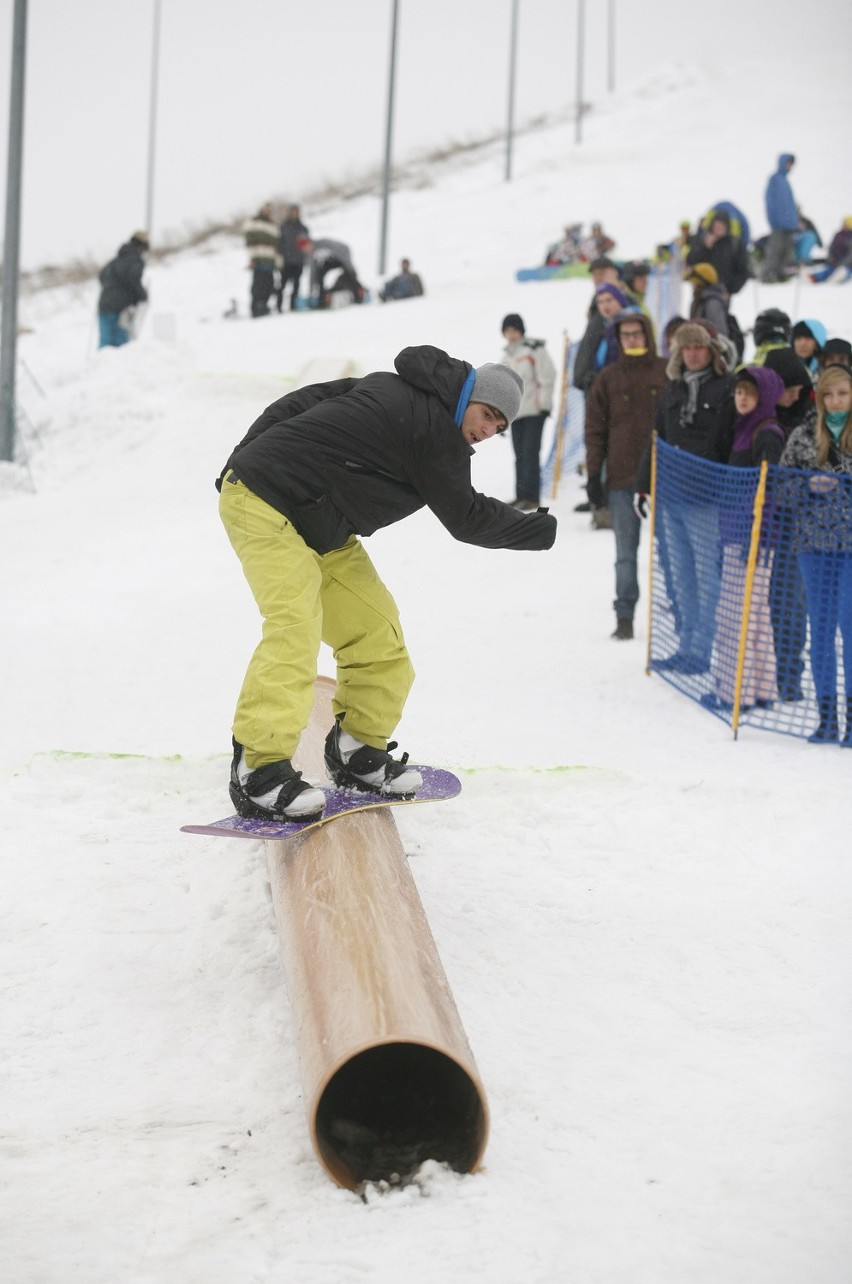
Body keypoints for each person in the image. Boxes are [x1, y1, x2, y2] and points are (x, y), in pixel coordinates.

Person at [216, 346, 557, 821]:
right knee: (295, 622)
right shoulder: (432, 428)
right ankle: (259, 770)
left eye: (499, 427)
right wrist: (542, 530)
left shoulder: (397, 386)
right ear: (468, 396)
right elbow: (467, 518)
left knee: (378, 633)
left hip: (319, 522)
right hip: (265, 500)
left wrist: (246, 451)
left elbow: (301, 401)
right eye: (487, 414)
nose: (488, 429)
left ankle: (357, 750)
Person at [635, 322, 736, 674]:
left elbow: (727, 443)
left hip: (706, 498)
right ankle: (685, 645)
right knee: (680, 578)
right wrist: (642, 483)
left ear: (712, 350)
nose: (692, 353)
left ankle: (702, 650)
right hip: (670, 495)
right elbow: (658, 436)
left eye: (699, 347)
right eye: (686, 348)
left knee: (708, 577)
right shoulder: (673, 388)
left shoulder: (727, 387)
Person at [703, 366, 786, 712]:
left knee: (733, 614)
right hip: (740, 532)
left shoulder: (766, 432)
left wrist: (757, 535)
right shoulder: (744, 428)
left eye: (750, 392)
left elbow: (770, 489)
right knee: (755, 614)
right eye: (739, 391)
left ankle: (733, 690)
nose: (742, 397)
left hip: (751, 538)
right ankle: (761, 687)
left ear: (764, 396)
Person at [779, 365, 852, 744]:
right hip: (814, 545)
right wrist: (809, 486)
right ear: (820, 398)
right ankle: (828, 718)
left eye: (843, 393)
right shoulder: (803, 435)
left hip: (851, 548)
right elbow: (781, 489)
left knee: (849, 629)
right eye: (830, 395)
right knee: (820, 632)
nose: (837, 402)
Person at [584, 311, 667, 639]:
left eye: (637, 333)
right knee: (625, 554)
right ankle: (625, 616)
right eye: (626, 335)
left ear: (647, 335)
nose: (632, 339)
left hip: (665, 478)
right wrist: (593, 474)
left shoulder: (665, 372)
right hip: (621, 477)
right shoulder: (608, 377)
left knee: (671, 554)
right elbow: (594, 431)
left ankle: (677, 613)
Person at [762, 347, 813, 701]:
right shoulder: (756, 418)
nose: (792, 396)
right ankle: (761, 672)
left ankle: (789, 673)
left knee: (791, 605)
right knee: (761, 604)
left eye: (798, 389)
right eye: (786, 388)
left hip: (797, 531)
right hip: (761, 529)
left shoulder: (809, 421)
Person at [499, 313, 556, 509]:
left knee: (530, 453)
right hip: (516, 414)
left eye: (514, 330)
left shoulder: (534, 349)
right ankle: (521, 495)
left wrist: (544, 405)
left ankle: (532, 497)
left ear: (521, 331)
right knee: (519, 455)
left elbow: (547, 376)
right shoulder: (507, 356)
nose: (511, 335)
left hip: (534, 410)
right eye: (507, 331)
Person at [97, 231, 149, 347]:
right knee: (121, 345)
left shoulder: (113, 262)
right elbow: (133, 280)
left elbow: (101, 277)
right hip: (122, 308)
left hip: (104, 306)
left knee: (105, 344)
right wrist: (142, 296)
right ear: (142, 246)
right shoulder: (135, 261)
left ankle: (102, 364)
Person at [685, 210, 750, 297]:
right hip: (700, 291)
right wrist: (706, 247)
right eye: (717, 224)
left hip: (721, 293)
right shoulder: (702, 239)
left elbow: (743, 271)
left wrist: (730, 289)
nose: (719, 228)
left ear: (727, 227)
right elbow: (690, 261)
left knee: (715, 309)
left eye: (722, 225)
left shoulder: (734, 245)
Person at [762, 154, 799, 283]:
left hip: (789, 224)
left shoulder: (784, 181)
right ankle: (766, 275)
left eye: (791, 164)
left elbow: (789, 204)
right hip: (779, 224)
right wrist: (774, 220)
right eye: (788, 163)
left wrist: (794, 221)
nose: (790, 166)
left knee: (786, 251)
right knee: (775, 250)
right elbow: (771, 202)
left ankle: (779, 274)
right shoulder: (775, 179)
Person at [300, 236, 366, 307]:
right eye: (304, 249)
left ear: (310, 242)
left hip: (342, 255)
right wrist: (311, 292)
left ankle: (360, 293)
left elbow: (344, 255)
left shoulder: (323, 244)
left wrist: (350, 270)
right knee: (319, 274)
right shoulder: (311, 255)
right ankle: (322, 300)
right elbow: (313, 273)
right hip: (329, 261)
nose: (306, 250)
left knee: (350, 274)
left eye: (307, 247)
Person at [244, 202, 282, 317]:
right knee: (258, 285)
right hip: (258, 259)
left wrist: (278, 261)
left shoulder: (272, 225)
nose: (267, 211)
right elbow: (249, 242)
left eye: (269, 209)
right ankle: (255, 308)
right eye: (265, 209)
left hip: (270, 260)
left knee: (269, 284)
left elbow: (277, 244)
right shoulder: (254, 222)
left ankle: (264, 306)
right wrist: (252, 258)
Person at [276, 204, 309, 313]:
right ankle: (278, 306)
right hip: (286, 262)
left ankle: (293, 306)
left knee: (296, 286)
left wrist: (305, 258)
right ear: (290, 213)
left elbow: (306, 246)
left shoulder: (303, 228)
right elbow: (278, 243)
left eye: (296, 211)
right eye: (293, 211)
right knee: (282, 285)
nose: (295, 213)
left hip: (298, 262)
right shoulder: (283, 227)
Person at [685, 263, 731, 339]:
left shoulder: (712, 303)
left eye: (694, 282)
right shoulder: (701, 300)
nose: (692, 285)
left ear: (701, 282)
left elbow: (720, 334)